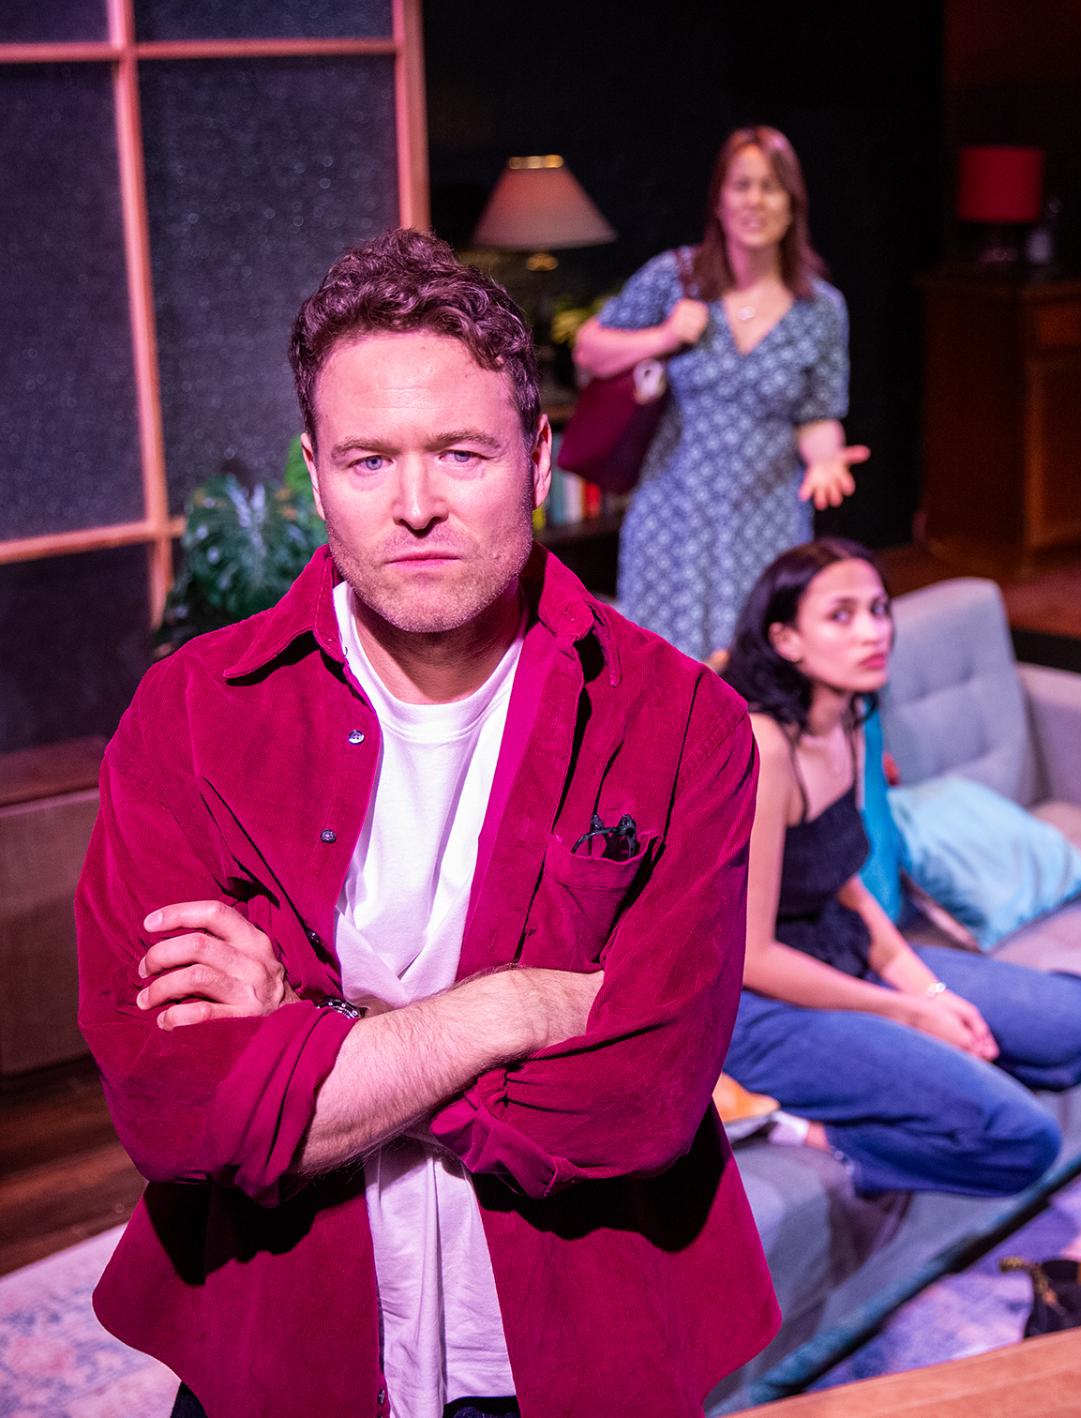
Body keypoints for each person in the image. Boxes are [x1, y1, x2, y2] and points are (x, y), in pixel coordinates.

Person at [74, 228, 777, 1418]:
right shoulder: (189, 713)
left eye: (460, 452)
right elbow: (174, 1105)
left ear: (537, 456)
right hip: (281, 1338)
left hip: (571, 1347)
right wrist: (511, 1009)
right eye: (368, 459)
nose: (415, 507)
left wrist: (303, 1032)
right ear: (315, 474)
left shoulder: (682, 722)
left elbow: (638, 1099)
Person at [718, 541, 1081, 1197]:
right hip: (757, 1007)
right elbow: (750, 957)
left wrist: (928, 991)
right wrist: (907, 1013)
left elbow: (842, 881)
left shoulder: (850, 719)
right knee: (1022, 1141)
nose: (873, 632)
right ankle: (790, 1124)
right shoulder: (765, 748)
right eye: (842, 615)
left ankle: (934, 1078)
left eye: (879, 609)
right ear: (786, 639)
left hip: (842, 953)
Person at [573, 125, 865, 661]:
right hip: (674, 522)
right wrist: (663, 337)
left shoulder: (821, 309)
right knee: (664, 676)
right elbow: (589, 349)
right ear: (719, 201)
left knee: (756, 672)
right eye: (742, 185)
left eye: (770, 187)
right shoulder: (677, 278)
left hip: (767, 523)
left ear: (792, 204)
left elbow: (819, 415)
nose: (755, 200)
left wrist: (826, 460)